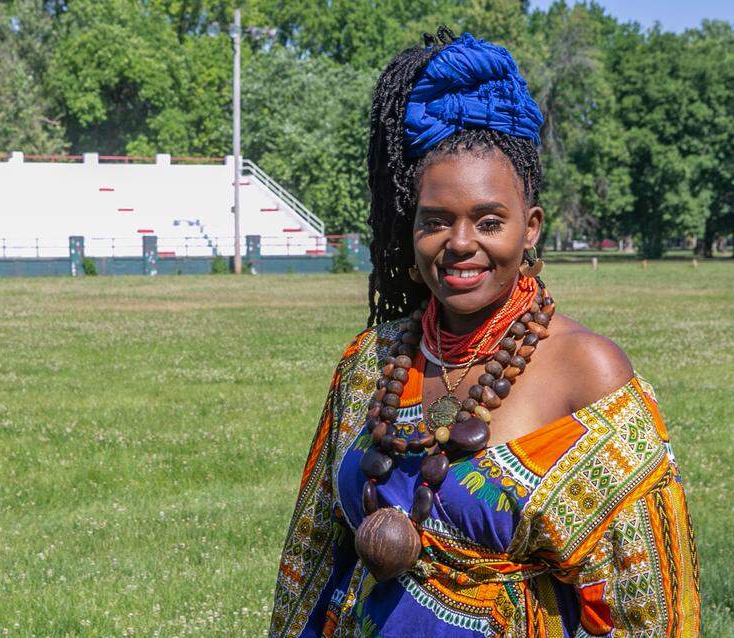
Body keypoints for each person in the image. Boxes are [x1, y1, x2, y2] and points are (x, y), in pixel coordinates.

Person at [269, 28, 700, 637]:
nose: (461, 243)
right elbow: (313, 558)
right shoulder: (374, 359)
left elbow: (648, 610)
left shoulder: (588, 372)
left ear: (531, 228)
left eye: (488, 220)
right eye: (436, 221)